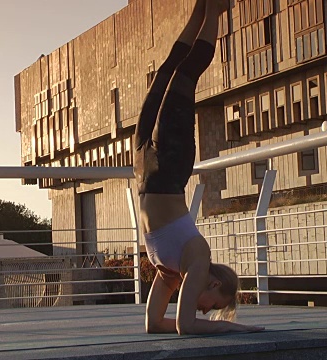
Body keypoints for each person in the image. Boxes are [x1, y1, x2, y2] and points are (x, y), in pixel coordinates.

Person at [133, 0, 264, 335]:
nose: (206, 310)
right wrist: (241, 330)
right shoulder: (197, 259)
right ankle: (215, 12)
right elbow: (186, 325)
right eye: (215, 305)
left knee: (168, 69)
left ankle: (202, 9)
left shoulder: (169, 270)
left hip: (144, 166)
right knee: (185, 74)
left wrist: (187, 323)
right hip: (170, 164)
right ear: (214, 283)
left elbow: (153, 325)